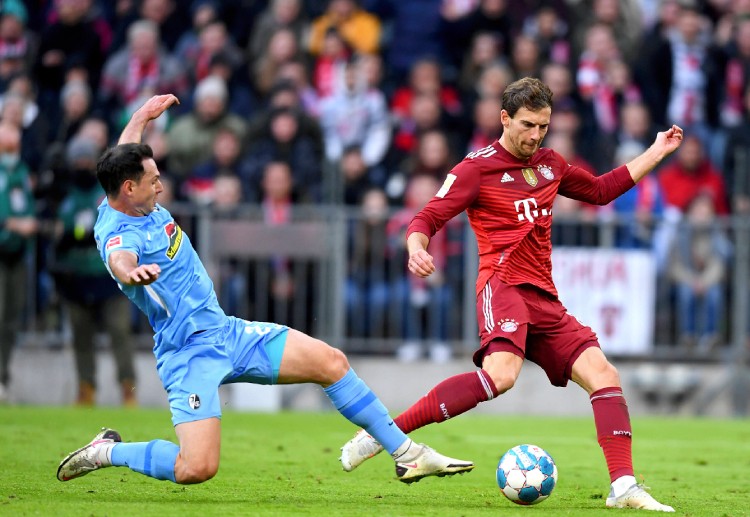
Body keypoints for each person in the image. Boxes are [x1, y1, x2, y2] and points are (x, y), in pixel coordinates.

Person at [56, 94, 474, 486]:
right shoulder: (118, 234)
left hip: (226, 333)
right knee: (196, 468)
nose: (161, 187)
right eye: (153, 181)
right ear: (129, 188)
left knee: (331, 362)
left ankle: (406, 453)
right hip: (187, 354)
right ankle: (108, 452)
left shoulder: (126, 186)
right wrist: (133, 274)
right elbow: (119, 260)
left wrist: (139, 119)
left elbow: (127, 154)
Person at [340, 77, 682, 512]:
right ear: (504, 118)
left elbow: (600, 191)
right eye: (527, 125)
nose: (535, 136)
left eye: (543, 126)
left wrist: (657, 150)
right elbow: (426, 217)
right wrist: (415, 248)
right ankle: (381, 434)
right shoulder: (475, 168)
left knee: (604, 375)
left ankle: (624, 488)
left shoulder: (550, 164)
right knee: (501, 376)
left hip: (544, 297)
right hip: (501, 287)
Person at [51, 136, 137, 406]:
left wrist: (84, 236)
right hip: (76, 277)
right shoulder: (65, 196)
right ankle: (85, 388)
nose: (82, 164)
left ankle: (128, 387)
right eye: (77, 159)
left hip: (108, 275)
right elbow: (57, 238)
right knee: (81, 336)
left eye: (87, 159)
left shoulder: (106, 193)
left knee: (119, 331)